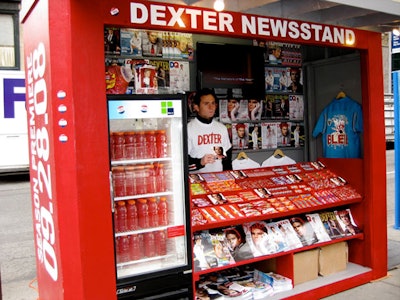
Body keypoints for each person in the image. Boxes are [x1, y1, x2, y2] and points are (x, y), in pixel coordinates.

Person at [187, 88, 232, 173]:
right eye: (206, 104)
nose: (211, 107)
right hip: (197, 182)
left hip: (218, 180)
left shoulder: (222, 128)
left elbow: (227, 160)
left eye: (213, 103)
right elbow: (182, 163)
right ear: (196, 107)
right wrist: (200, 162)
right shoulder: (188, 129)